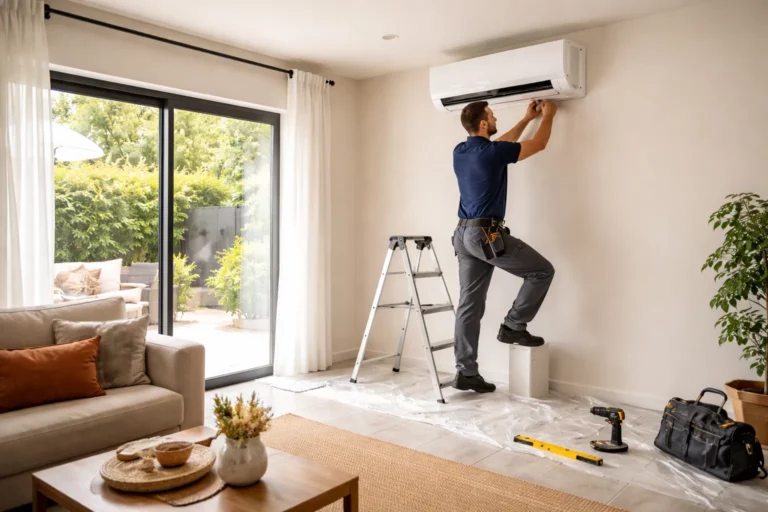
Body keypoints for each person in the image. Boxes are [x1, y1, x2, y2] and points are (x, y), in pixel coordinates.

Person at [451, 99, 557, 394]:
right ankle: (513, 326)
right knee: (542, 271)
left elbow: (500, 144)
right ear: (484, 123)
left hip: (462, 235)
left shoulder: (461, 151)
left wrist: (525, 119)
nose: (495, 119)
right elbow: (539, 144)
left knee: (469, 306)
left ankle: (465, 372)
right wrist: (548, 116)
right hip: (485, 235)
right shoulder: (493, 153)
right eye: (492, 116)